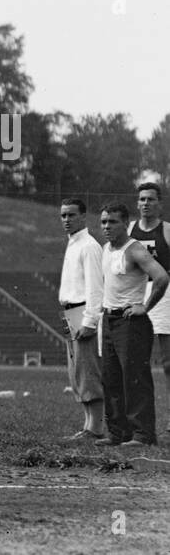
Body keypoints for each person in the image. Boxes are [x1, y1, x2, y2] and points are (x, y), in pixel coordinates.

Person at [97, 201, 168, 447]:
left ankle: (143, 435)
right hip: (109, 320)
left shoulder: (135, 249)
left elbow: (161, 277)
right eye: (104, 221)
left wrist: (145, 307)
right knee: (111, 377)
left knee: (134, 378)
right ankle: (118, 433)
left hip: (131, 322)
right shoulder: (106, 249)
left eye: (112, 222)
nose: (107, 226)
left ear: (126, 224)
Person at [58, 197, 104, 439]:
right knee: (76, 371)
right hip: (68, 312)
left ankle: (96, 427)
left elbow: (96, 287)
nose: (66, 220)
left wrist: (90, 321)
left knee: (88, 370)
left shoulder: (89, 246)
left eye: (71, 215)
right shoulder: (72, 244)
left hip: (82, 311)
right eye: (63, 215)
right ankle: (87, 424)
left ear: (83, 217)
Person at [127, 182, 170, 410]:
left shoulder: (167, 230)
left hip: (164, 294)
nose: (146, 203)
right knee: (132, 360)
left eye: (151, 199)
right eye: (142, 199)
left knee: (168, 362)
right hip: (134, 293)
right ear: (137, 203)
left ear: (159, 204)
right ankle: (135, 413)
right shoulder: (128, 229)